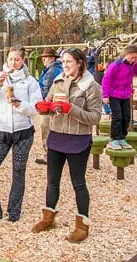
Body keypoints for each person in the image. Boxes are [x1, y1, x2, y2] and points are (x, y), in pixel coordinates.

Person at [32, 47, 102, 243]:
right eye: (63, 62)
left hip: (78, 139)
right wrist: (43, 108)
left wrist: (71, 108)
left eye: (68, 62)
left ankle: (82, 226)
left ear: (80, 63)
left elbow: (95, 117)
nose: (64, 65)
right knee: (52, 181)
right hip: (56, 137)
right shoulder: (58, 81)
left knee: (78, 183)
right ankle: (48, 218)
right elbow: (49, 103)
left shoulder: (91, 86)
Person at [0, 46, 42, 222]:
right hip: (1, 131)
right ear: (7, 59)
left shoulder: (30, 81)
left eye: (17, 59)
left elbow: (36, 107)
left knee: (18, 171)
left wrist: (19, 105)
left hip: (23, 133)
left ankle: (14, 211)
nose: (13, 62)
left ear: (23, 61)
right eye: (11, 59)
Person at [101, 44, 137, 150]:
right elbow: (106, 79)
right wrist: (105, 95)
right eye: (132, 57)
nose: (134, 60)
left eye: (136, 57)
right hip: (114, 94)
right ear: (126, 54)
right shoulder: (116, 65)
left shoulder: (134, 65)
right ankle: (113, 139)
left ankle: (121, 138)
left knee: (126, 117)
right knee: (117, 117)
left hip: (125, 95)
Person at [37, 48, 63, 164]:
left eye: (45, 58)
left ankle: (49, 155)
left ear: (52, 58)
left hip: (48, 105)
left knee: (46, 128)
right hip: (57, 104)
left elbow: (46, 90)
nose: (43, 60)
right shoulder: (57, 69)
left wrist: (39, 100)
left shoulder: (51, 72)